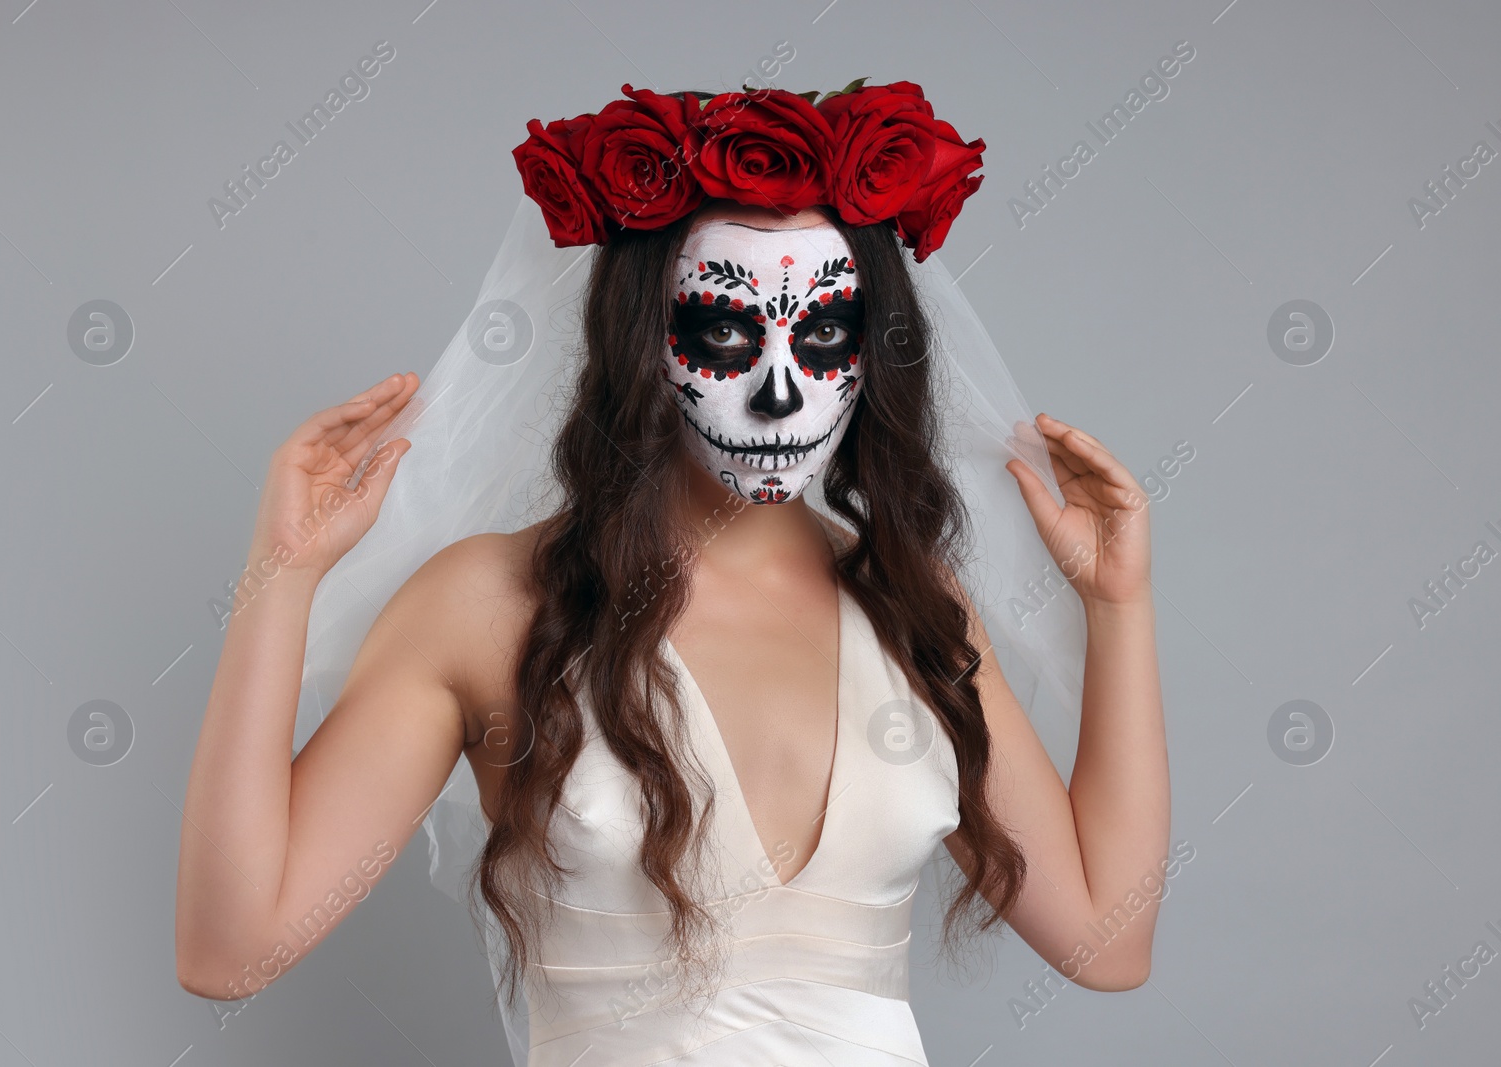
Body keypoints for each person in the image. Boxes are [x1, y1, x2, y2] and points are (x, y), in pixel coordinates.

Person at [174, 81, 1168, 1066]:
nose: (781, 393)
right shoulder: (485, 604)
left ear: (872, 352)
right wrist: (281, 578)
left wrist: (1117, 605)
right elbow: (230, 950)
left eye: (822, 334)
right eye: (727, 332)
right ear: (639, 340)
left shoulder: (912, 607)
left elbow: (1104, 937)